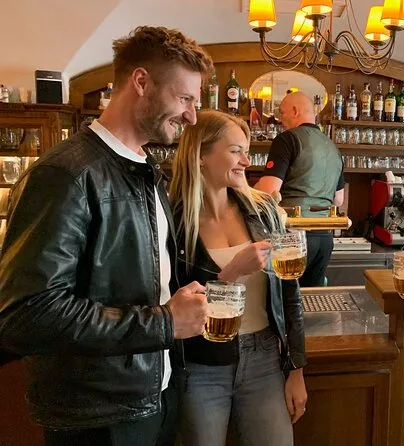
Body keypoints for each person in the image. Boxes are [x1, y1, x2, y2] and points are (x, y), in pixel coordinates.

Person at [0, 26, 214, 446]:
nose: (192, 116)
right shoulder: (65, 174)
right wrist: (165, 322)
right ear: (141, 81)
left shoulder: (145, 171)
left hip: (154, 398)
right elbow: (27, 315)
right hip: (96, 417)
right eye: (185, 98)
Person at [169, 111, 307, 446]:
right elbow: (173, 303)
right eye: (235, 151)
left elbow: (290, 293)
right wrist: (231, 272)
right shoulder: (173, 220)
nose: (246, 160)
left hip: (264, 358)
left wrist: (296, 370)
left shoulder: (264, 209)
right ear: (200, 155)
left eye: (246, 151)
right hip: (200, 366)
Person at [254, 91, 344, 287]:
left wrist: (247, 191)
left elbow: (269, 191)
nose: (280, 120)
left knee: (284, 299)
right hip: (324, 239)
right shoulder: (333, 147)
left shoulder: (287, 139)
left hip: (292, 235)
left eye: (282, 113)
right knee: (312, 299)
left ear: (295, 111)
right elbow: (338, 200)